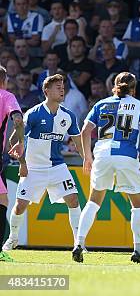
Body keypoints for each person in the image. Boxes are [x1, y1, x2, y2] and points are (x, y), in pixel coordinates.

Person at [73, 72, 140, 264]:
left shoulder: (101, 104)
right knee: (138, 204)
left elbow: (85, 131)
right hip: (126, 155)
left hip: (102, 155)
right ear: (134, 88)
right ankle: (139, 251)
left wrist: (87, 157)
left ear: (114, 85)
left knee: (93, 202)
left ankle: (78, 244)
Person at [2, 74, 84, 256]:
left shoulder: (68, 115)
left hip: (57, 167)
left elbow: (78, 142)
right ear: (46, 90)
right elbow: (17, 138)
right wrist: (21, 162)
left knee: (73, 200)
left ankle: (78, 243)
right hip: (33, 168)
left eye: (63, 86)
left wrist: (87, 159)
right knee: (20, 205)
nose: (62, 89)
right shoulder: (34, 113)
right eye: (57, 87)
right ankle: (13, 237)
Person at [0, 66, 24, 262]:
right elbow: (17, 118)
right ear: (4, 80)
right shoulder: (6, 96)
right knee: (2, 201)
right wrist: (19, 140)